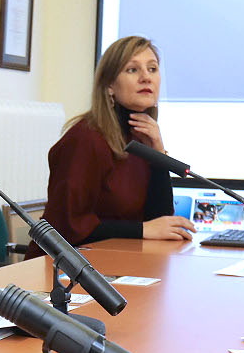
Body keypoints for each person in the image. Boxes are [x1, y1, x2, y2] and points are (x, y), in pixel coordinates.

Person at [44, 36, 196, 246]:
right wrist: (142, 230)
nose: (146, 77)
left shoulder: (141, 136)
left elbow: (160, 221)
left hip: (123, 255)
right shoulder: (85, 138)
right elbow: (67, 226)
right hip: (67, 261)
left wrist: (158, 156)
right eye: (132, 70)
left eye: (152, 69)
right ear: (109, 85)